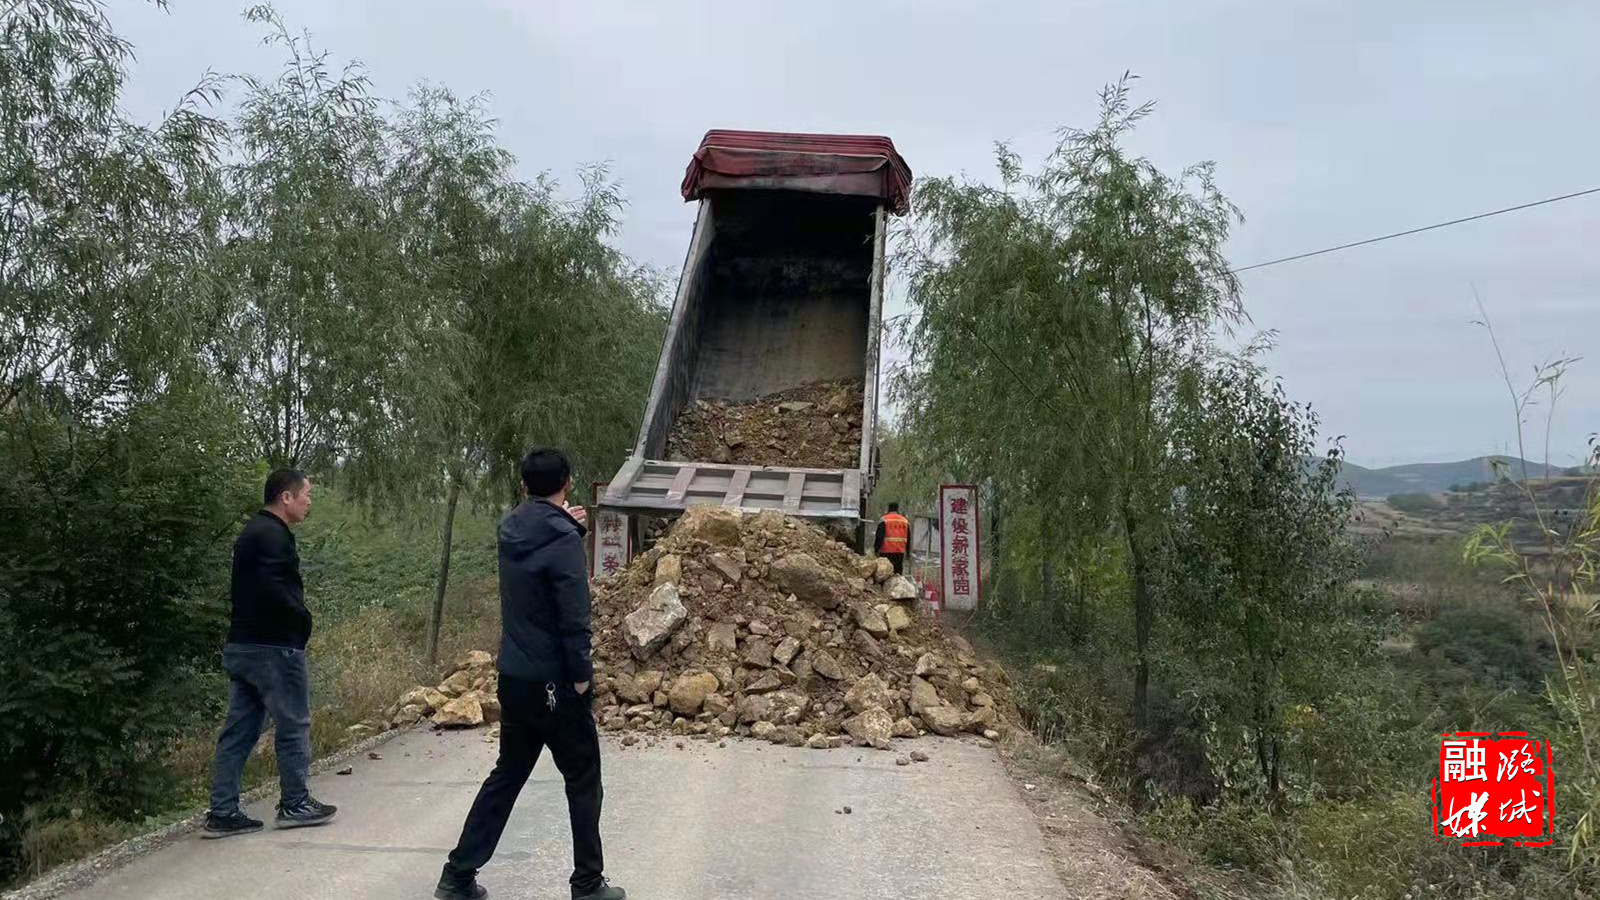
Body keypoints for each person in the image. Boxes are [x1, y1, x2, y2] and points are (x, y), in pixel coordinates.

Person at [435, 449, 625, 900]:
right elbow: (573, 614)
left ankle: (457, 875)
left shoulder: (510, 528)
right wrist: (581, 676)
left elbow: (539, 547)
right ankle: (587, 884)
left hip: (515, 677)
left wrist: (567, 525)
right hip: (555, 680)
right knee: (583, 778)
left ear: (523, 486)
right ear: (568, 483)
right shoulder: (562, 537)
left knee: (507, 774)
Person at [204, 468, 337, 839]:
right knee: (293, 723)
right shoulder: (274, 535)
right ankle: (295, 802)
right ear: (286, 497)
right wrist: (302, 621)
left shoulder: (251, 532)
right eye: (306, 494)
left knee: (239, 730)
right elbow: (278, 592)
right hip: (275, 647)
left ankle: (223, 811)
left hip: (242, 645)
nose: (309, 502)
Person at [875, 502, 910, 575]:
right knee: (897, 572)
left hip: (886, 550)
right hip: (900, 551)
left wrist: (876, 549)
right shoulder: (904, 521)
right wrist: (908, 552)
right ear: (897, 509)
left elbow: (879, 536)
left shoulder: (884, 519)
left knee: (885, 573)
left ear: (889, 509)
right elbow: (908, 538)